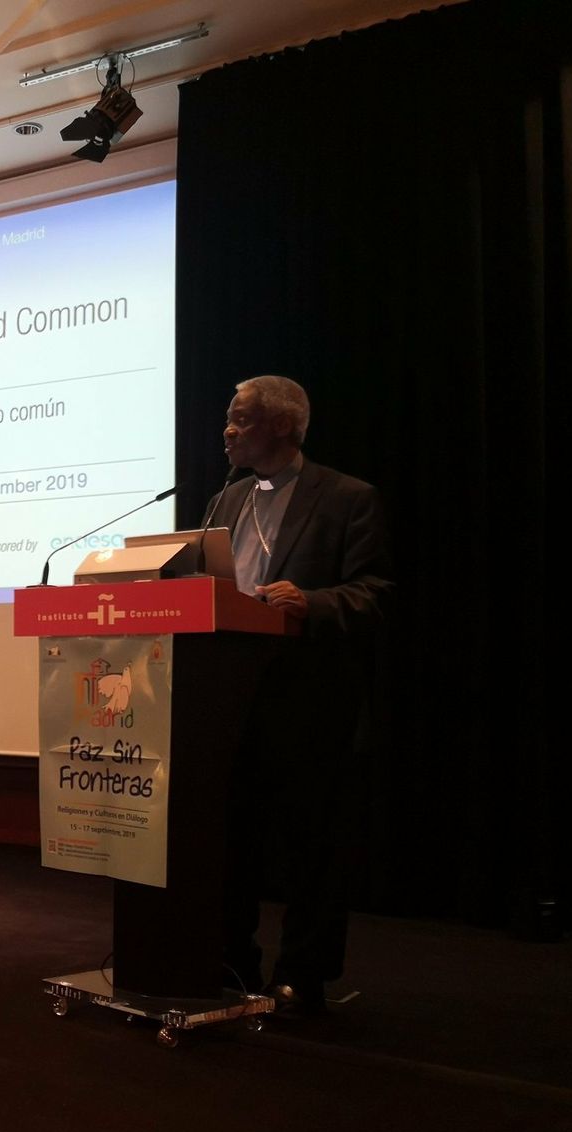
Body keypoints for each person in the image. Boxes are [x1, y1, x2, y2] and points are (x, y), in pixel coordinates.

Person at [205, 375, 393, 1014]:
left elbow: (375, 592)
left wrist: (310, 602)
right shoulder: (224, 500)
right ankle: (231, 961)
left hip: (309, 704)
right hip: (227, 696)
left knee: (312, 847)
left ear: (281, 425)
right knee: (232, 839)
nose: (228, 430)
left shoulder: (347, 498)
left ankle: (301, 974)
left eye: (241, 419)